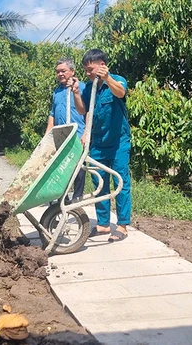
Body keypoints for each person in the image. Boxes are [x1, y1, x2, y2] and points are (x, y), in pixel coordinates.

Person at [71, 49, 132, 241]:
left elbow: (120, 93)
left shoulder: (117, 80)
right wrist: (76, 94)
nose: (87, 74)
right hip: (97, 143)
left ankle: (122, 226)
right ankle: (104, 224)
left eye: (91, 69)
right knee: (100, 183)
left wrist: (107, 79)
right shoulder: (89, 87)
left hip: (118, 144)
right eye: (86, 70)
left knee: (121, 182)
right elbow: (83, 110)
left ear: (102, 65)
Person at [46, 58, 87, 203]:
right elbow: (53, 114)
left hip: (78, 135)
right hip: (60, 136)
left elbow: (88, 112)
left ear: (72, 71)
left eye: (63, 71)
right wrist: (47, 136)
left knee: (78, 169)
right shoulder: (57, 91)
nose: (60, 74)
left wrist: (86, 134)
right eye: (58, 72)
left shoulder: (82, 87)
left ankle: (77, 200)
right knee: (60, 168)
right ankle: (61, 199)